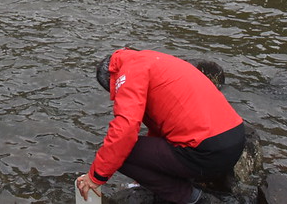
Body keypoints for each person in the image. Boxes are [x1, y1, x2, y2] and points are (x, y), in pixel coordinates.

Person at [76, 48, 245, 204]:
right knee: (130, 151)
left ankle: (190, 197)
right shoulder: (152, 60)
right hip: (235, 140)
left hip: (207, 151)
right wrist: (146, 169)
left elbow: (124, 131)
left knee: (122, 153)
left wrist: (95, 177)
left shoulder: (127, 73)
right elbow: (161, 127)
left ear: (110, 80)